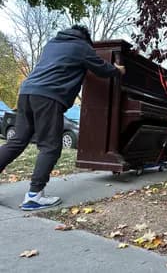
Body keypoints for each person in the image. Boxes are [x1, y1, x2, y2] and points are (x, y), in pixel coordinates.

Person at [0, 25, 125, 210]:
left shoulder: (52, 44)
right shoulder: (82, 47)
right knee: (50, 146)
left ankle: (34, 193)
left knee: (17, 141)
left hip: (26, 92)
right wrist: (118, 70)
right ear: (86, 39)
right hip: (48, 96)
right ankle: (34, 196)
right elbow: (102, 69)